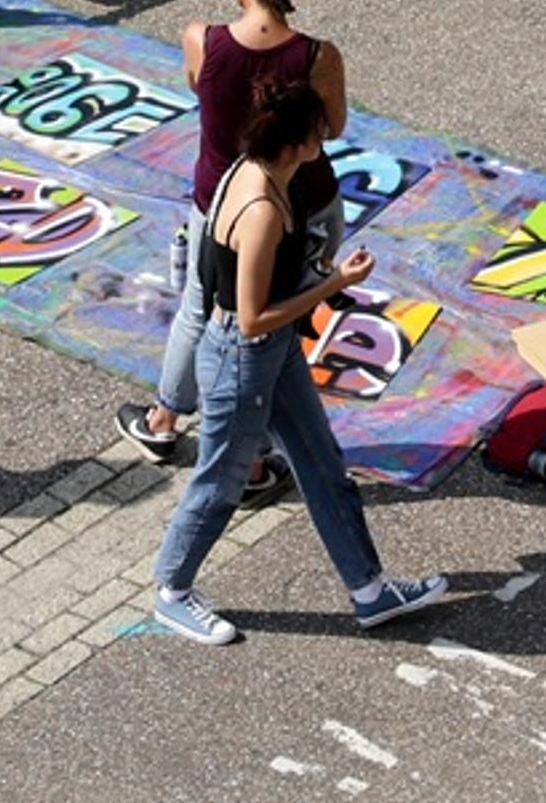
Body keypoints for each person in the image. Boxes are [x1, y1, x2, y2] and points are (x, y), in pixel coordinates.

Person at [146, 75, 450, 645]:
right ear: (300, 141)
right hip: (243, 356)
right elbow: (253, 314)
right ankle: (173, 591)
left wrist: (317, 275)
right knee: (222, 479)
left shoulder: (253, 168)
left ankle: (369, 590)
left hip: (270, 352)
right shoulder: (261, 208)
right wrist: (334, 282)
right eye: (320, 131)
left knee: (320, 460)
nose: (329, 136)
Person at [117, 0, 345, 470]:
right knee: (277, 327)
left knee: (199, 309)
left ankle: (165, 422)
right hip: (303, 206)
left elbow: (203, 91)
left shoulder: (202, 40)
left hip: (220, 203)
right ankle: (258, 457)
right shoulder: (318, 57)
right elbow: (334, 127)